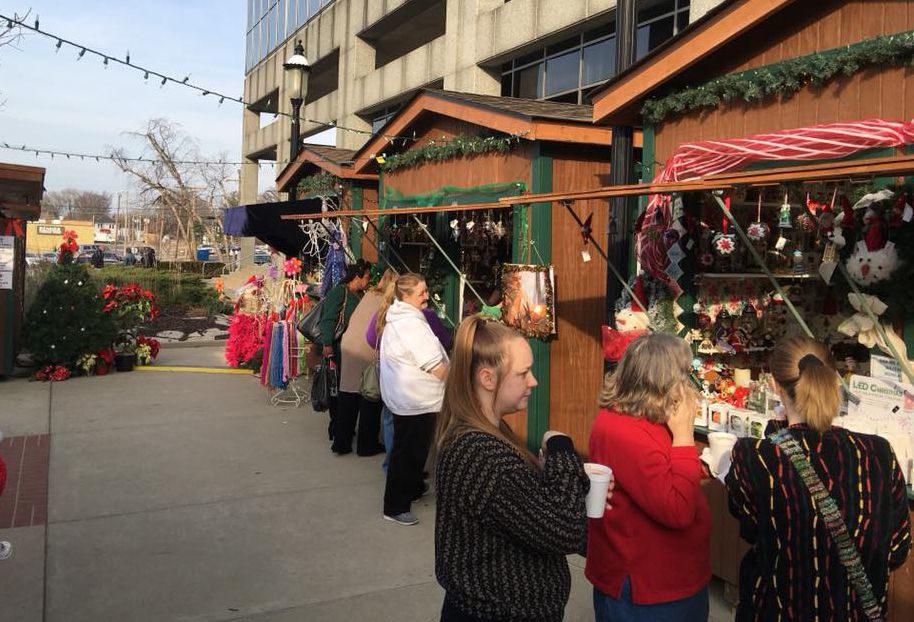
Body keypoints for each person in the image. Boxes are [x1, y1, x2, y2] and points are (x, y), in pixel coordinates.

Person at [725, 336, 911, 621]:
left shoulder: (755, 456)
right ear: (832, 380)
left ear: (775, 385)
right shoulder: (879, 453)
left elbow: (751, 530)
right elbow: (896, 550)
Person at [435, 315, 590, 621]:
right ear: (487, 378)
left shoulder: (483, 436)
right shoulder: (481, 453)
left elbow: (520, 512)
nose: (533, 381)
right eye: (523, 373)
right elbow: (566, 531)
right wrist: (561, 451)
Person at [587, 331, 711, 622]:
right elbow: (677, 509)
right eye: (684, 374)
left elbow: (660, 478)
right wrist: (684, 436)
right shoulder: (625, 432)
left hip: (672, 580)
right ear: (664, 382)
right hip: (648, 589)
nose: (688, 383)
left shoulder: (647, 417)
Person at [379, 273, 448, 526]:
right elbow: (434, 364)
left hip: (411, 399)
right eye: (422, 292)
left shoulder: (402, 318)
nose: (426, 296)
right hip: (415, 399)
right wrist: (457, 384)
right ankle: (395, 506)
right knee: (408, 453)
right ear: (406, 296)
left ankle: (413, 488)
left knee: (412, 451)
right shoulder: (410, 324)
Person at [366, 289, 453, 473]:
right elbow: (445, 341)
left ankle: (391, 464)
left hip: (391, 377)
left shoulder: (385, 314)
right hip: (414, 389)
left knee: (391, 421)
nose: (426, 297)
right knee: (415, 437)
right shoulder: (424, 316)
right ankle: (408, 474)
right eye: (423, 292)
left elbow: (370, 338)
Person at [335, 267, 396, 457]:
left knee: (348, 394)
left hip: (348, 343)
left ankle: (341, 442)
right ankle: (366, 445)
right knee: (370, 396)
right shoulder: (388, 302)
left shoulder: (369, 295)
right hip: (366, 348)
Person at [318, 259, 372, 454]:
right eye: (366, 276)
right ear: (357, 276)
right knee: (340, 390)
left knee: (347, 390)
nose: (368, 280)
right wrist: (327, 344)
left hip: (353, 349)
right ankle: (337, 427)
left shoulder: (361, 294)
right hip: (339, 347)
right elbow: (329, 318)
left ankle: (343, 428)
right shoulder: (340, 292)